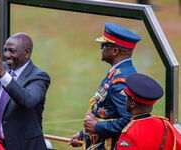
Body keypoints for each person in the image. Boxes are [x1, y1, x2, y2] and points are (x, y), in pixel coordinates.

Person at [69, 22, 141, 150]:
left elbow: (129, 121)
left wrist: (97, 127)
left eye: (104, 45)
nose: (101, 48)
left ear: (115, 51)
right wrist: (84, 134)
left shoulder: (121, 79)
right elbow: (107, 113)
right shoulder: (118, 72)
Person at [116, 73, 181, 150]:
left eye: (126, 97)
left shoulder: (130, 135)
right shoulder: (166, 124)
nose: (125, 100)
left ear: (132, 104)